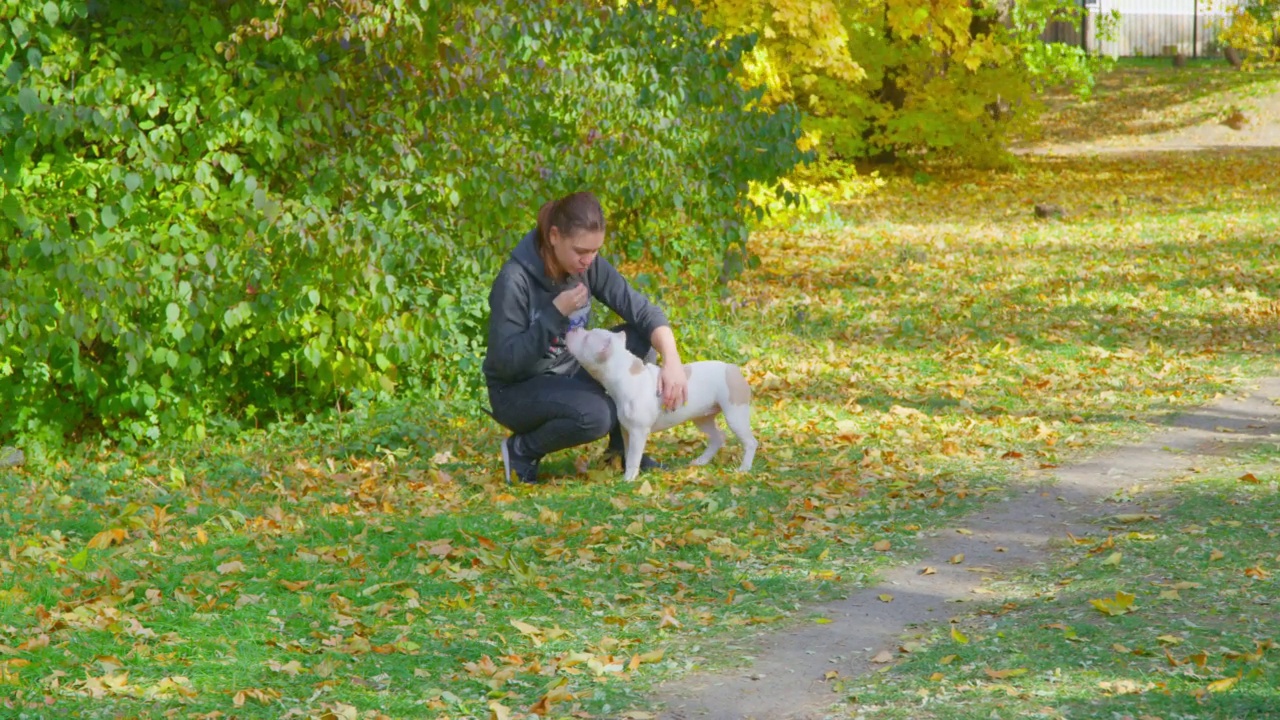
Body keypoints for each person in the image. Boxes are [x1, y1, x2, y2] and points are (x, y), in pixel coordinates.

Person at [483, 191, 689, 484]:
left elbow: (643, 311)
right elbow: (507, 363)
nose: (589, 260)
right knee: (596, 415)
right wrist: (555, 313)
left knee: (639, 341)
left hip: (569, 371)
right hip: (517, 390)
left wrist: (672, 360)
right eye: (581, 251)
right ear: (554, 236)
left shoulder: (588, 265)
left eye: (595, 251)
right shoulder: (514, 281)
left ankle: (621, 451)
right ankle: (521, 450)